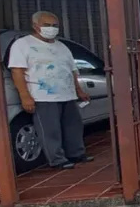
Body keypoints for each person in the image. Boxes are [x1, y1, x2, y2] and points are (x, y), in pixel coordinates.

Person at [8, 11, 93, 170]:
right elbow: (17, 71)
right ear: (35, 26)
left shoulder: (62, 46)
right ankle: (57, 160)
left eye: (54, 26)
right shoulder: (22, 45)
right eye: (47, 25)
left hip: (67, 95)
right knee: (50, 130)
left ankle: (76, 154)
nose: (51, 29)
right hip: (43, 96)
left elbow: (72, 71)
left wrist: (79, 91)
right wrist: (25, 96)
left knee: (73, 126)